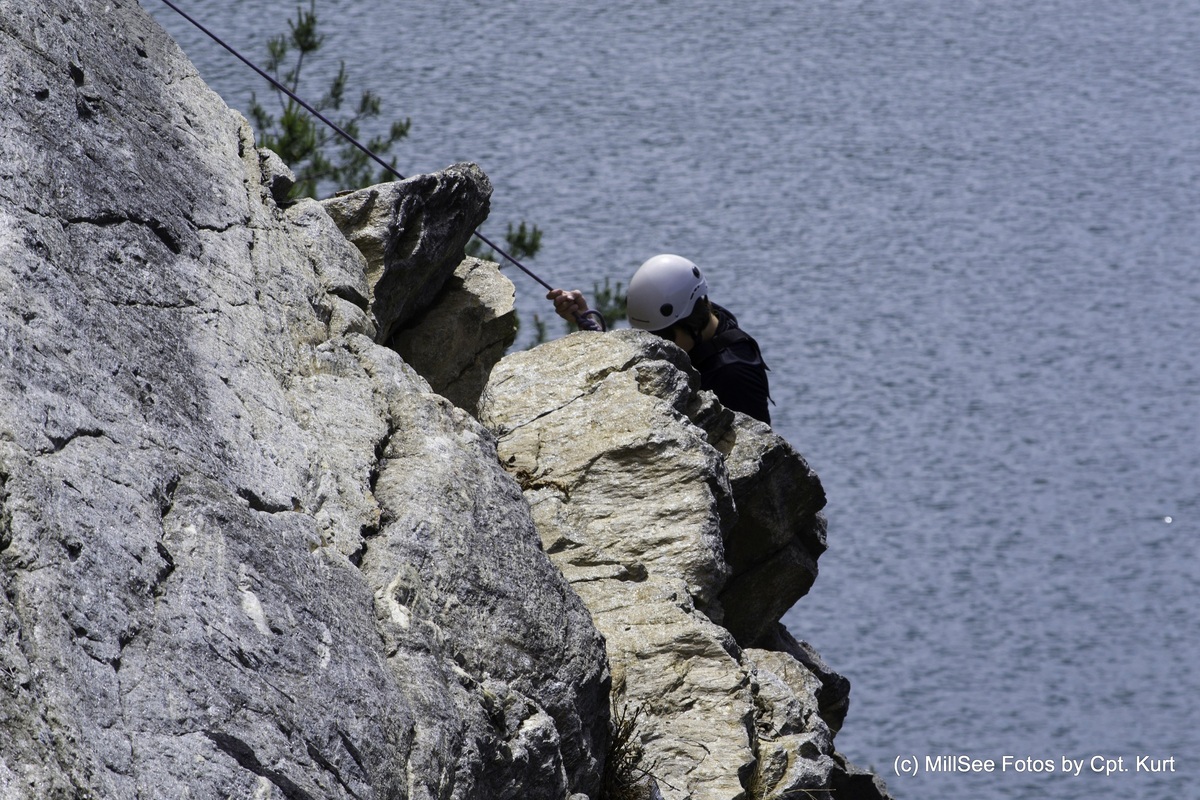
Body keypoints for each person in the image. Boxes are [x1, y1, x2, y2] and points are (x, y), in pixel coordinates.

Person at [547, 254, 772, 424]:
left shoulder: (734, 376)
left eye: (662, 337)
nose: (656, 345)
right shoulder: (707, 318)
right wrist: (586, 322)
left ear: (691, 325)